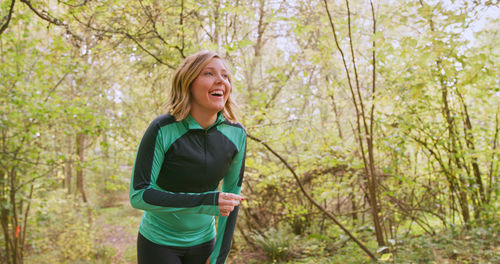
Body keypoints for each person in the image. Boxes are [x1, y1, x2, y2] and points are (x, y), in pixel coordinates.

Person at [129, 50, 247, 264]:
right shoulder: (163, 128)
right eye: (209, 74)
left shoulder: (237, 134)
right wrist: (206, 201)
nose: (221, 80)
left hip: (204, 242)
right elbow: (139, 194)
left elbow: (232, 199)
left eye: (225, 76)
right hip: (158, 243)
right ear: (188, 82)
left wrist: (219, 256)